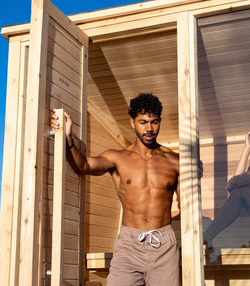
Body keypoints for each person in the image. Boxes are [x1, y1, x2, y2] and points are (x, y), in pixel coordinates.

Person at [51, 93, 180, 286]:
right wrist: (68, 137)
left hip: (164, 243)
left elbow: (189, 204)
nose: (149, 128)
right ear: (132, 122)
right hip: (129, 244)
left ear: (159, 121)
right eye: (143, 122)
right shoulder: (118, 157)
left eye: (154, 122)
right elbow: (84, 165)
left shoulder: (174, 161)